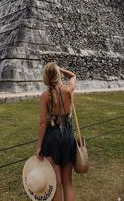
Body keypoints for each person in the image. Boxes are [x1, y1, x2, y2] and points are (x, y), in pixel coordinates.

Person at [36, 62, 77, 201]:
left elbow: (42, 123)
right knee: (68, 183)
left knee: (55, 183)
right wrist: (60, 69)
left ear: (46, 77)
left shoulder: (45, 96)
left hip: (52, 138)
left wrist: (39, 146)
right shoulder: (68, 90)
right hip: (68, 135)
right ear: (58, 74)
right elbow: (73, 75)